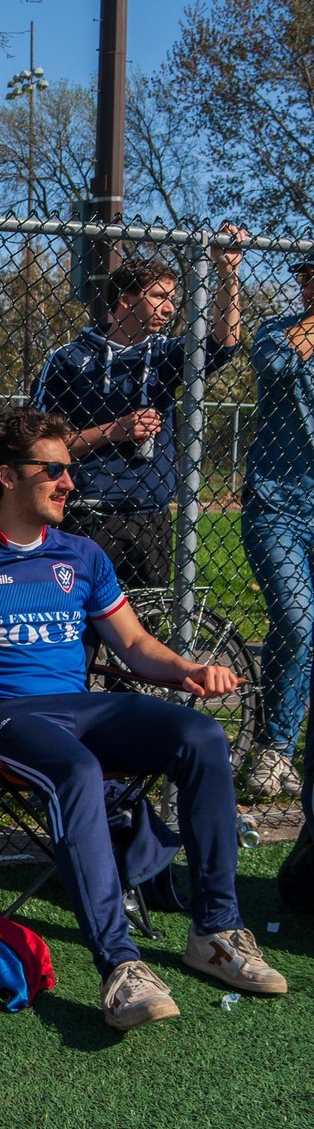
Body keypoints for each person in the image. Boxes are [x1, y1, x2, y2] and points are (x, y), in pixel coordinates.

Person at [0, 405, 285, 1032]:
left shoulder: (82, 556)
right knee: (76, 769)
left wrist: (188, 669)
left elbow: (136, 647)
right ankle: (121, 964)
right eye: (54, 470)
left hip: (84, 706)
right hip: (1, 716)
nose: (69, 483)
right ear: (8, 477)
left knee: (198, 734)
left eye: (68, 470)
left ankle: (217, 931)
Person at [32, 237, 243, 590]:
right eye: (159, 297)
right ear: (125, 299)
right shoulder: (69, 360)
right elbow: (41, 446)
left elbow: (225, 343)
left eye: (172, 299)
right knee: (81, 628)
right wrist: (114, 430)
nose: (169, 308)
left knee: (145, 627)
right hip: (88, 513)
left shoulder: (167, 355)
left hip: (151, 513)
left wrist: (228, 273)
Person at [239, 252, 314, 799]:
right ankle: (274, 748)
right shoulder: (276, 331)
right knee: (297, 620)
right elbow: (274, 367)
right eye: (309, 279)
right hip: (277, 505)